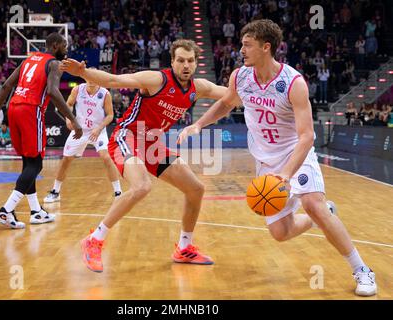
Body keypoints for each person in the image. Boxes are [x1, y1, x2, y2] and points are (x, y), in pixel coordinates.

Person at [178, 19, 377, 297]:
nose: (241, 50)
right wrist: (199, 125)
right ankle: (325, 213)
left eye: (247, 45)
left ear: (265, 47)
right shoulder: (240, 77)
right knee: (281, 233)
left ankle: (361, 270)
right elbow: (226, 102)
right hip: (265, 161)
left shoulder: (293, 83)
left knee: (312, 204)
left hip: (295, 154)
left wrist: (285, 174)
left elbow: (307, 136)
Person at [60, 39, 227, 272]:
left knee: (196, 189)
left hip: (153, 144)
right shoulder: (156, 79)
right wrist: (83, 72)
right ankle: (94, 240)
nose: (185, 65)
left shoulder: (199, 88)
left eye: (190, 61)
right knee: (141, 186)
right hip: (127, 136)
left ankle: (184, 247)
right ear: (172, 61)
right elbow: (113, 80)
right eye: (180, 60)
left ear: (197, 63)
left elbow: (232, 96)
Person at [0, 33, 82, 229]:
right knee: (36, 165)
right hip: (31, 109)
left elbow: (6, 86)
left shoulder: (28, 59)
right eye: (64, 45)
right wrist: (73, 119)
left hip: (13, 108)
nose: (67, 49)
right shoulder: (54, 63)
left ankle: (36, 211)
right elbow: (53, 92)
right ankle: (7, 209)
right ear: (55, 46)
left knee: (28, 162)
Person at [44, 80, 122, 203]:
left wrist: (99, 128)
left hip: (97, 131)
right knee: (66, 160)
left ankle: (118, 192)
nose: (91, 80)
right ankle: (55, 191)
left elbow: (110, 115)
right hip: (80, 131)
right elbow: (68, 104)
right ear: (85, 78)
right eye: (89, 78)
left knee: (106, 158)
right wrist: (68, 118)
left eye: (94, 78)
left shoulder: (105, 93)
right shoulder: (77, 89)